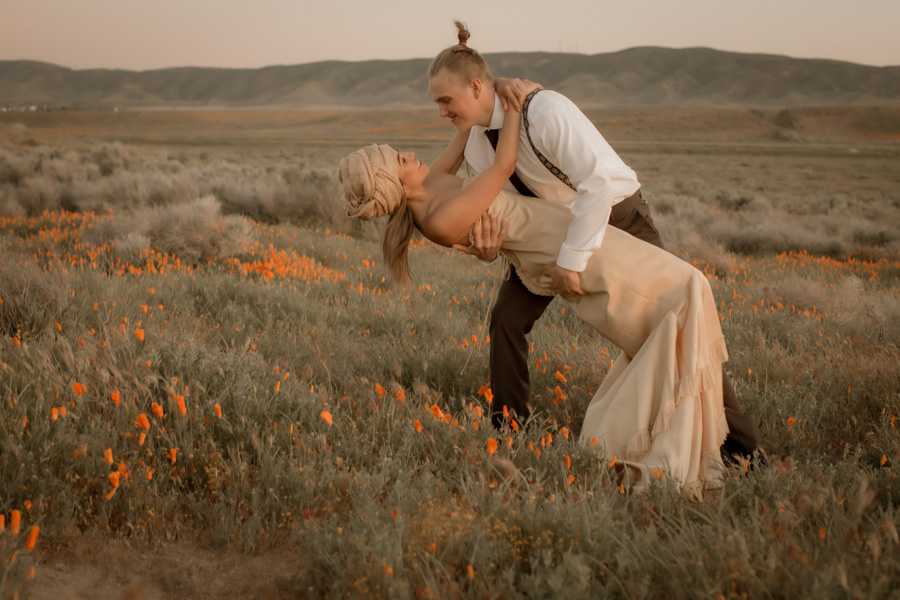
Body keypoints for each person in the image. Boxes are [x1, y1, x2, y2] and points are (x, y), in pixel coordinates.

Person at [339, 95, 729, 493]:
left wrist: (484, 81)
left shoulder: (433, 180)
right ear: (395, 185)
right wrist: (514, 103)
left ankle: (721, 437)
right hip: (560, 250)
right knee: (686, 290)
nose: (410, 154)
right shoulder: (436, 219)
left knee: (683, 297)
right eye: (401, 160)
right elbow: (504, 165)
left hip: (566, 230)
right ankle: (691, 444)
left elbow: (467, 127)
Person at [426, 22, 761, 463]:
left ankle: (744, 452)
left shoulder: (543, 110)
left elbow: (598, 185)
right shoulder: (474, 147)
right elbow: (508, 213)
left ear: (475, 87)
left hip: (619, 218)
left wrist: (571, 262)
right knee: (507, 318)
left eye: (446, 101)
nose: (442, 112)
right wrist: (491, 250)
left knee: (677, 327)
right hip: (553, 234)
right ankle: (509, 433)